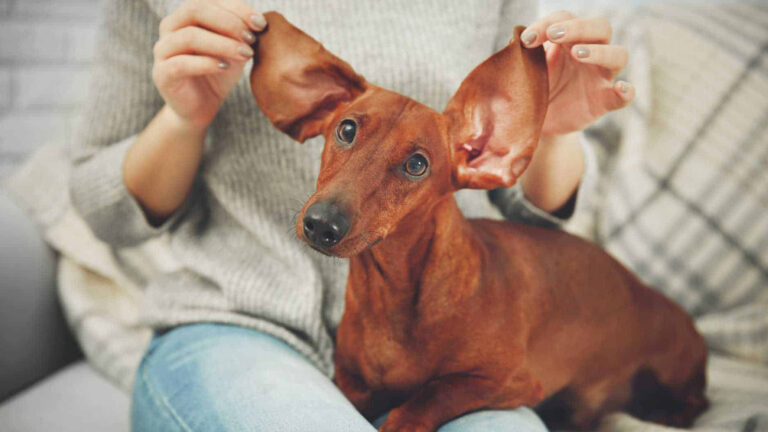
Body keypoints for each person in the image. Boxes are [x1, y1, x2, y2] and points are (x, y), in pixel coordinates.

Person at [67, 0, 632, 430]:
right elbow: (104, 214)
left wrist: (548, 133)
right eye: (346, 133)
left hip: (445, 350)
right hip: (238, 327)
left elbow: (525, 219)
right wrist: (182, 118)